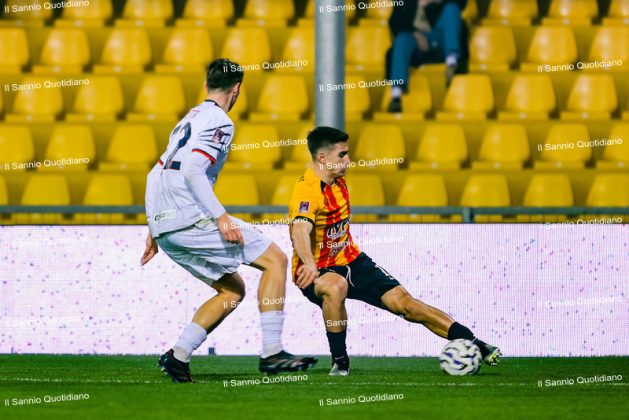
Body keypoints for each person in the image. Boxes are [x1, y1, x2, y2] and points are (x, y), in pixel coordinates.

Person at [141, 58, 317, 382]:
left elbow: (156, 172)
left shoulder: (188, 119)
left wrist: (154, 226)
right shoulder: (220, 121)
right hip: (190, 217)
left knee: (232, 290)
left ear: (206, 85)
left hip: (167, 224)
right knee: (275, 260)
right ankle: (272, 352)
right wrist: (222, 217)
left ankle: (178, 356)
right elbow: (193, 170)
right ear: (236, 90)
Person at [288, 126, 500, 375]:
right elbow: (300, 229)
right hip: (315, 270)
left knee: (406, 305)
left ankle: (475, 343)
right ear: (322, 158)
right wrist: (309, 263)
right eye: (342, 155)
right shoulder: (307, 191)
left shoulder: (338, 181)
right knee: (336, 287)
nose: (348, 160)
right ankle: (340, 362)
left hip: (352, 261)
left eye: (347, 153)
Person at [387, 0, 469, 113]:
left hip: (441, 39)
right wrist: (415, 35)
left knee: (451, 9)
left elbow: (462, 3)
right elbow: (394, 22)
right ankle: (396, 96)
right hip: (415, 41)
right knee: (402, 40)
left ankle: (452, 62)